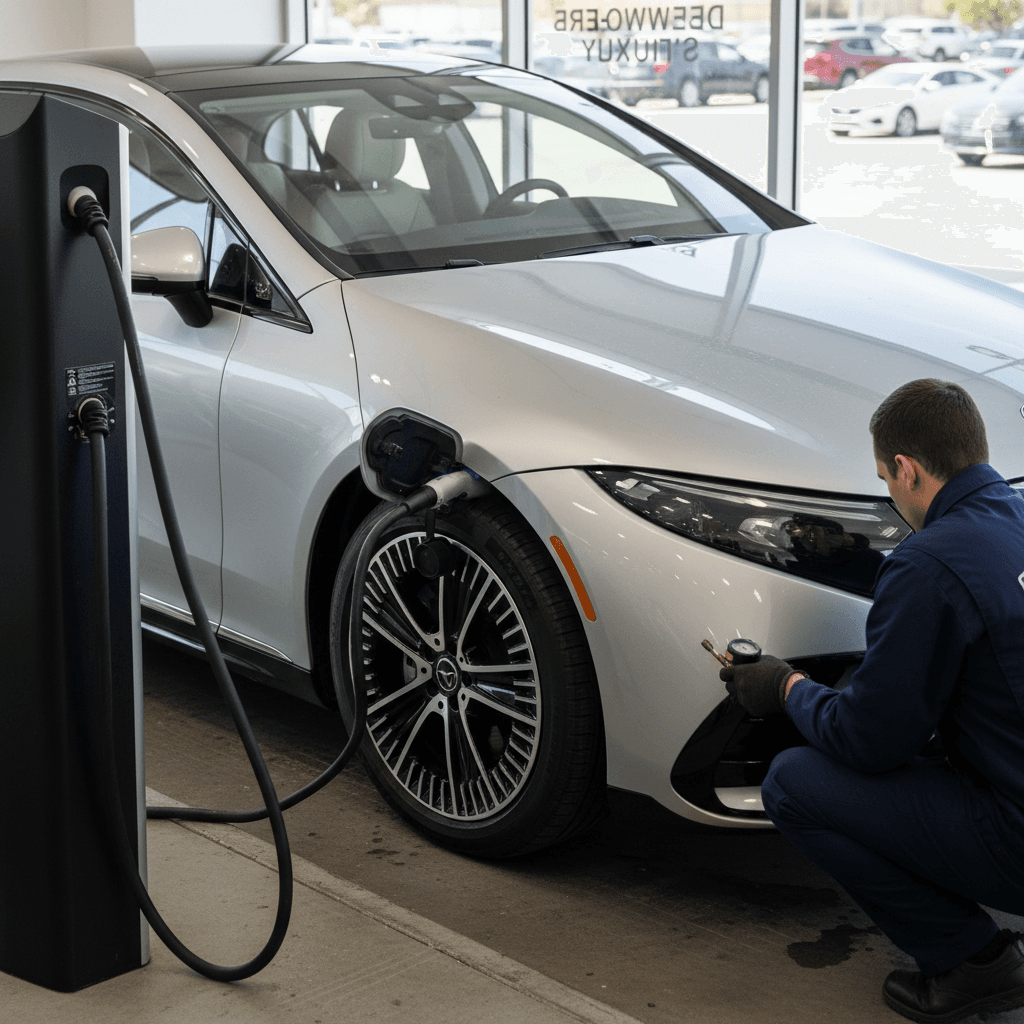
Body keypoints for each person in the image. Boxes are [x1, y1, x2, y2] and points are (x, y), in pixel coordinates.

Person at [721, 378, 1024, 1024]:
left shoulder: (927, 567)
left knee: (795, 784)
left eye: (886, 479)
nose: (888, 493)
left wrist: (785, 687)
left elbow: (871, 740)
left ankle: (974, 963)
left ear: (907, 470)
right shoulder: (1013, 517)